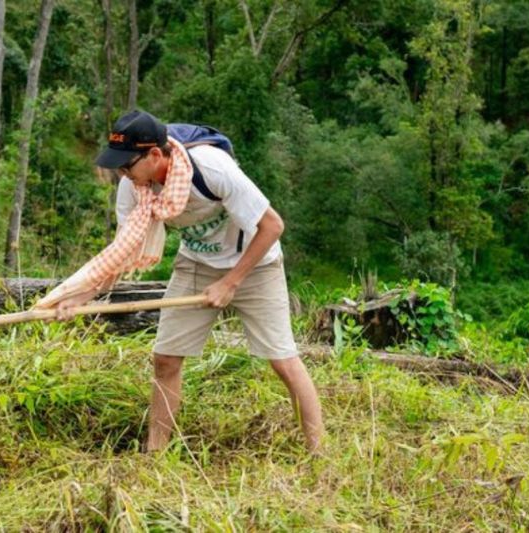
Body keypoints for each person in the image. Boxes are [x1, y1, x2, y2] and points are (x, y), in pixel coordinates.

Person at [46, 110, 324, 452]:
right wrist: (81, 297)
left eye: (126, 165)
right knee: (165, 358)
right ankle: (155, 454)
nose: (122, 173)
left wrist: (231, 282)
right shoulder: (133, 188)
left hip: (256, 265)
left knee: (282, 360)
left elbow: (272, 226)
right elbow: (121, 255)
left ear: (155, 155)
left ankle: (318, 454)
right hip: (197, 264)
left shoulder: (211, 168)